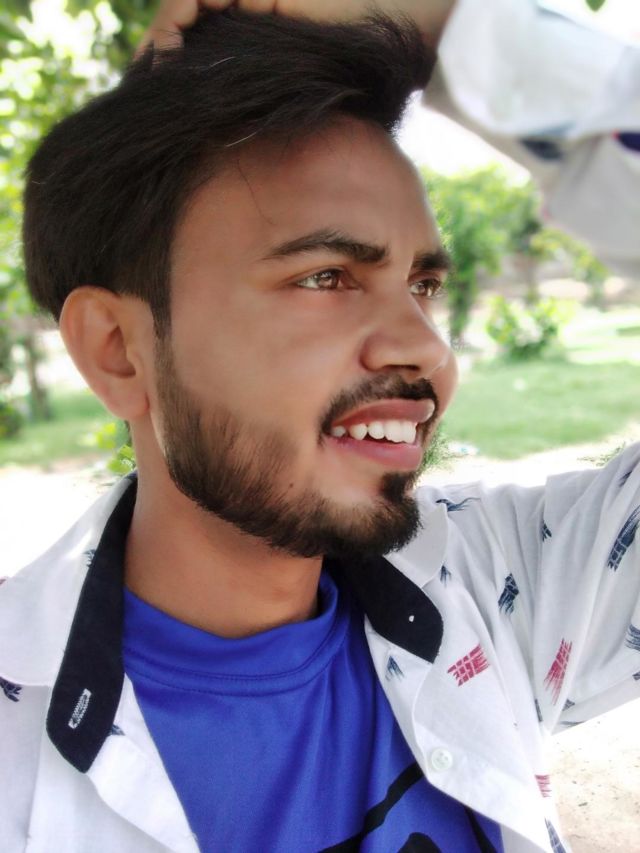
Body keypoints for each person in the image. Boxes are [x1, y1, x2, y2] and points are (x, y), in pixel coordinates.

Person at [0, 3, 638, 852]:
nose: (427, 348)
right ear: (119, 349)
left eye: (422, 285)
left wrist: (449, 25)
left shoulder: (499, 585)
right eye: (326, 276)